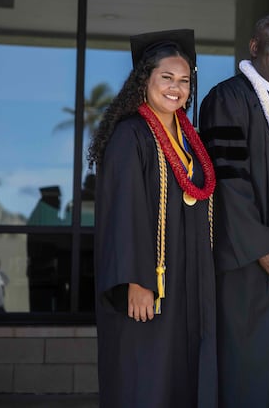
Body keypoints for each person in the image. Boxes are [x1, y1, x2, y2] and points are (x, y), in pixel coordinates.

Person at [90, 29, 217, 408]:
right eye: (167, 77)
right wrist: (135, 281)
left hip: (187, 282)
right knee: (146, 376)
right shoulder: (130, 135)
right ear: (144, 80)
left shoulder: (188, 136)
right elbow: (122, 212)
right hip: (151, 285)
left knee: (182, 374)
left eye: (184, 81)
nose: (176, 88)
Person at [199, 14, 269, 408]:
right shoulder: (228, 98)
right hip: (243, 261)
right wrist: (263, 247)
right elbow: (225, 180)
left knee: (268, 365)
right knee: (243, 365)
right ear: (254, 47)